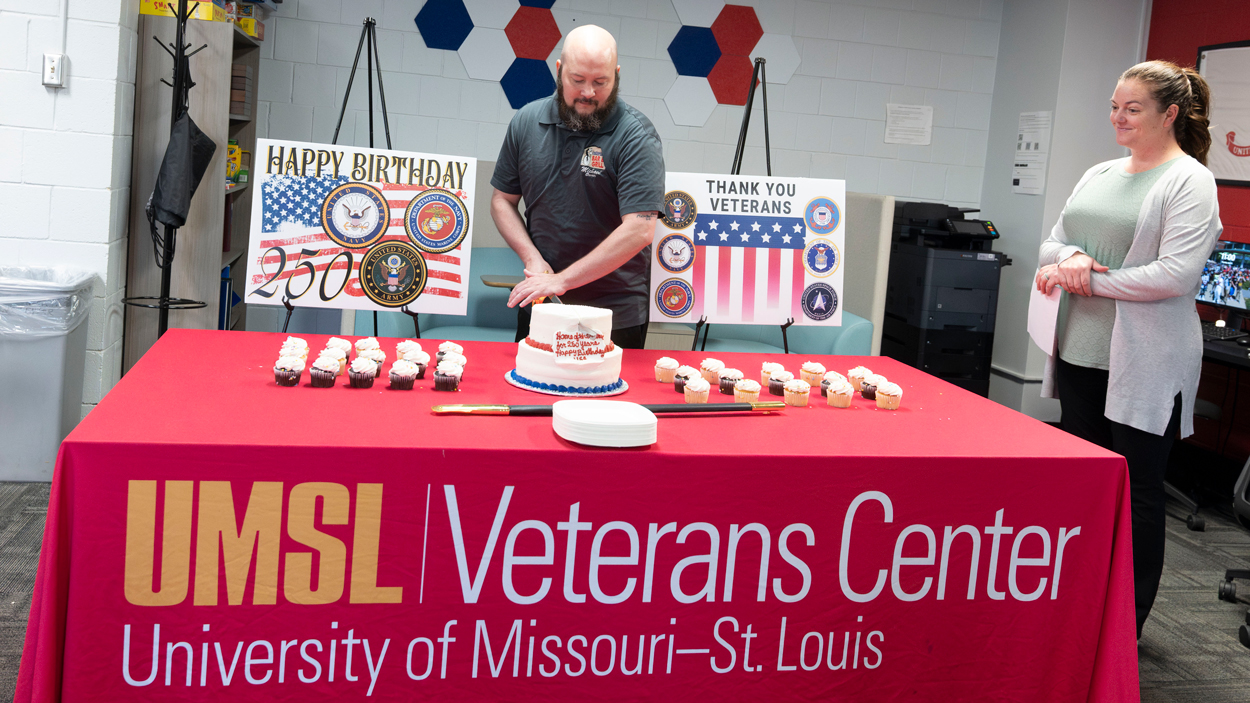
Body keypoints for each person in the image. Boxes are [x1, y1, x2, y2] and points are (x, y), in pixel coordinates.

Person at [1035, 60, 1222, 639]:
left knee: (1139, 496)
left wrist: (1086, 279)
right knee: (1084, 489)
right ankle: (1075, 606)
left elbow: (1174, 275)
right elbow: (1052, 243)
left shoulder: (1189, 180)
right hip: (1081, 353)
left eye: (1132, 108)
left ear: (1169, 114)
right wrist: (1067, 263)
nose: (1118, 117)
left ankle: (1123, 627)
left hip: (1146, 365)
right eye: (1114, 106)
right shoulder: (1099, 172)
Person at [490, 24, 665, 349]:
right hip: (541, 301)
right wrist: (533, 260)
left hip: (613, 314)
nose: (588, 92)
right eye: (577, 80)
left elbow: (640, 229)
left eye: (600, 82)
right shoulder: (526, 122)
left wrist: (562, 280)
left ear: (616, 75)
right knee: (532, 396)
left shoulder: (636, 135)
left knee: (604, 399)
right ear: (559, 71)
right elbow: (502, 200)